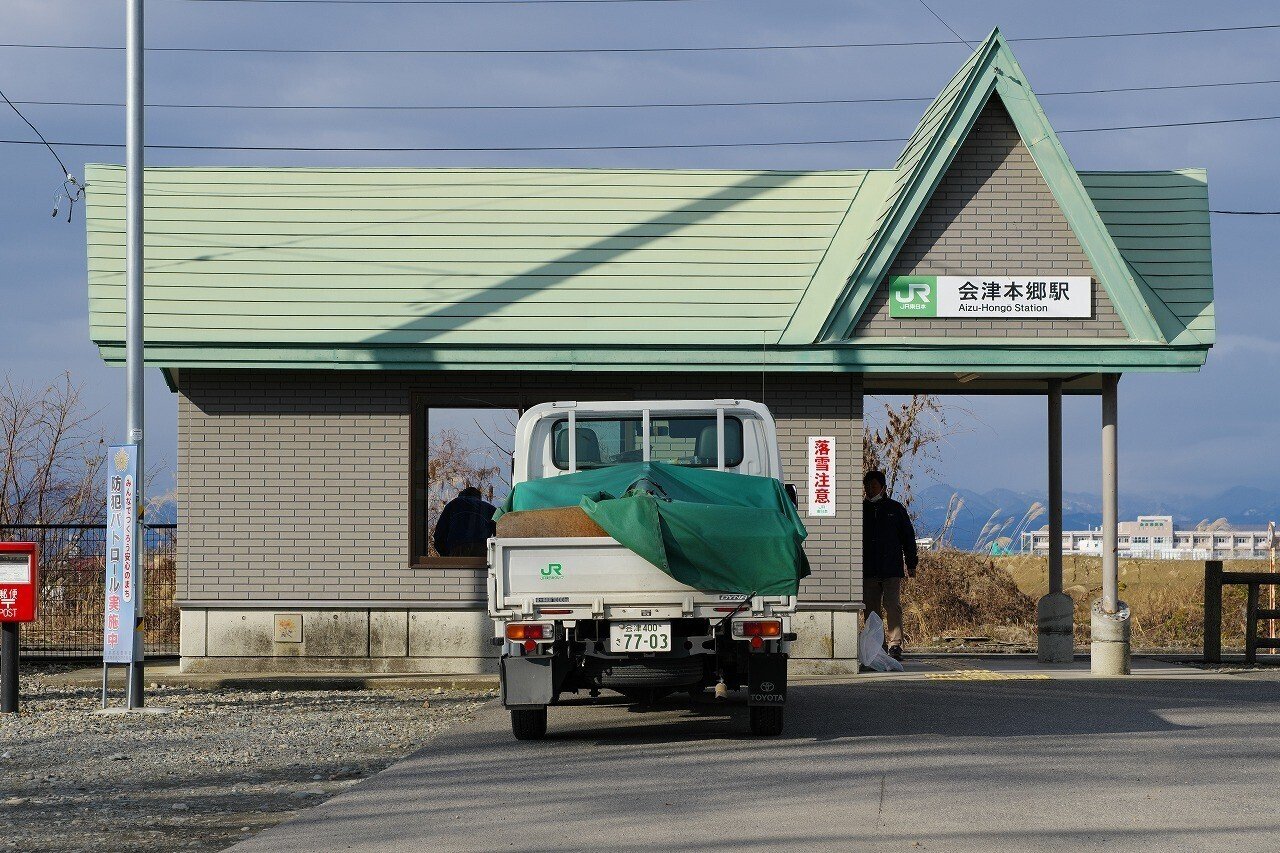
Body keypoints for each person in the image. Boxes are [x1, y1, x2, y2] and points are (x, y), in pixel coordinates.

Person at [862, 470, 918, 661]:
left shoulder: (895, 509)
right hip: (868, 568)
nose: (870, 489)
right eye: (867, 486)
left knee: (892, 606)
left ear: (883, 487)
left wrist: (911, 563)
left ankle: (895, 645)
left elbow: (908, 537)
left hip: (891, 567)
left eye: (874, 485)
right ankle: (877, 645)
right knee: (871, 610)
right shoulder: (860, 509)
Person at [433, 486, 497, 558]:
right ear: (479, 497)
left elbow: (440, 533)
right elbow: (501, 533)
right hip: (482, 549)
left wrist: (445, 555)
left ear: (461, 495)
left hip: (458, 547)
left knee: (459, 565)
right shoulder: (490, 508)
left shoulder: (454, 504)